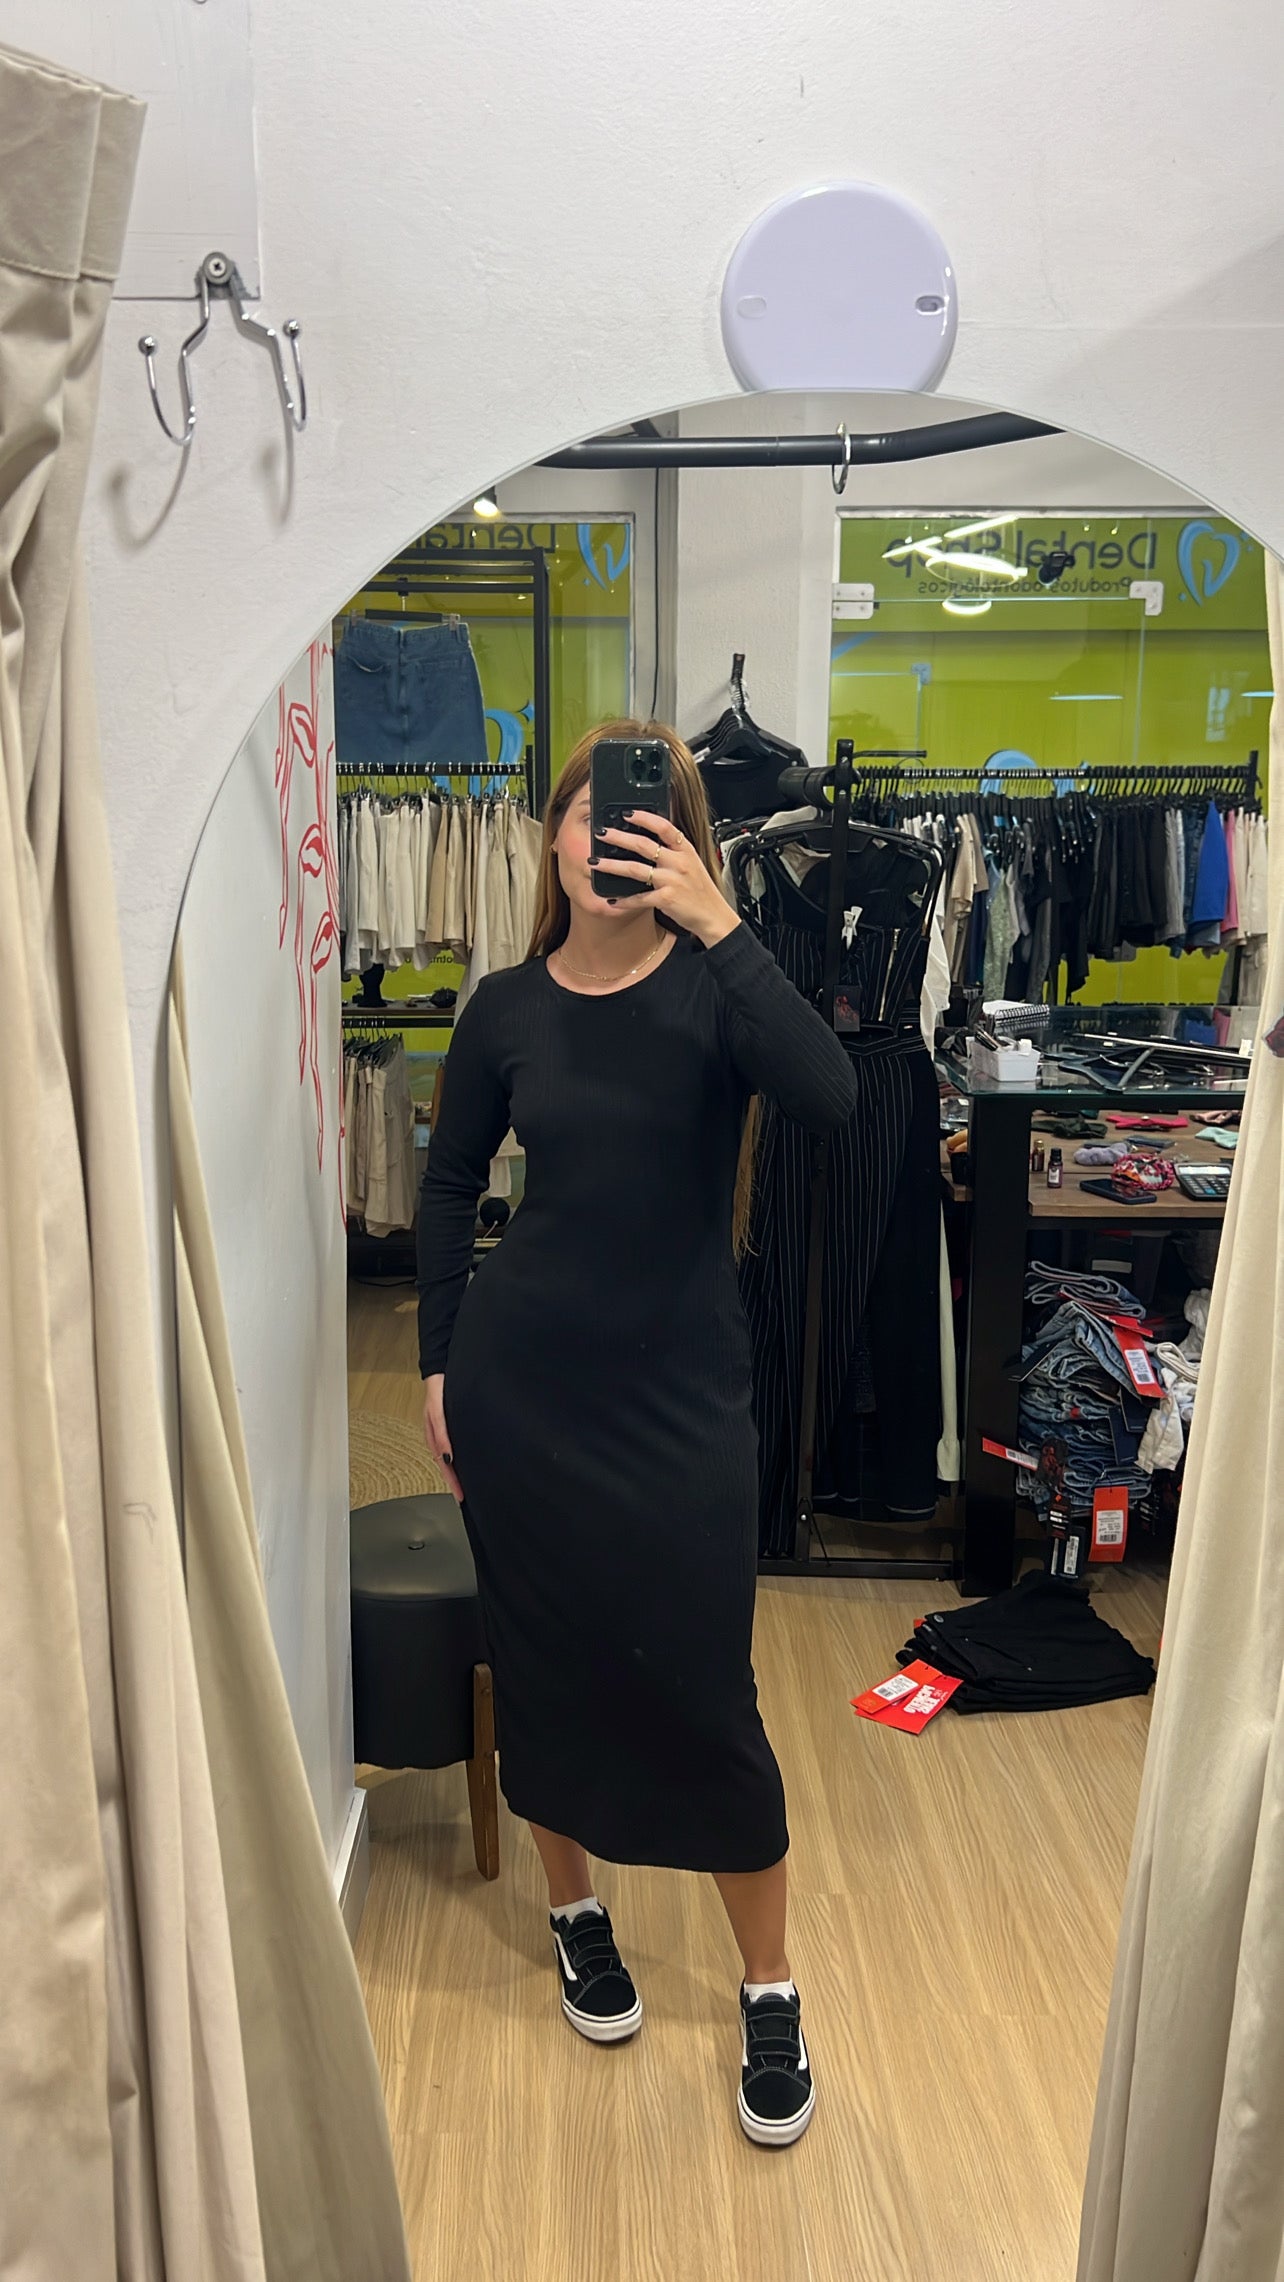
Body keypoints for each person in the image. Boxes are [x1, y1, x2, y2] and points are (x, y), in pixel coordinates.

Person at [417, 720, 857, 2147]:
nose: (608, 839)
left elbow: (831, 1096)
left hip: (679, 1404)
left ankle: (769, 1984)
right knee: (545, 1668)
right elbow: (446, 1184)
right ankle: (577, 1912)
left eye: (643, 818)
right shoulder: (502, 1011)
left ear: (683, 842)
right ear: (552, 836)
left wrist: (720, 922)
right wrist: (437, 1363)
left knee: (706, 1692)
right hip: (522, 1392)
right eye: (589, 815)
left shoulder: (719, 989)